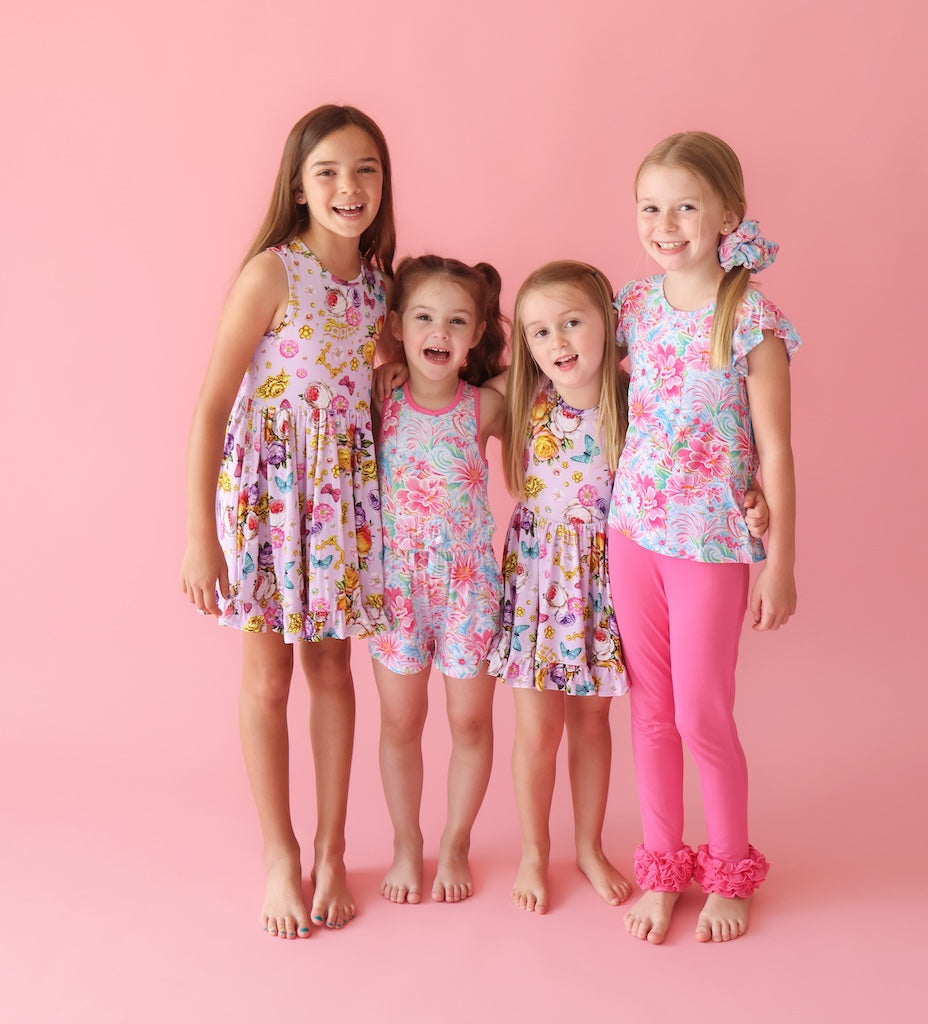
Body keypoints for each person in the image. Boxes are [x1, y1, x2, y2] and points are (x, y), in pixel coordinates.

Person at [180, 104, 397, 939]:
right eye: (329, 172)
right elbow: (208, 409)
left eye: (366, 170)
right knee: (269, 680)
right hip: (268, 501)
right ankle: (282, 852)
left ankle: (336, 850)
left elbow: (387, 377)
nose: (350, 187)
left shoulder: (379, 288)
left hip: (340, 505)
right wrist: (201, 533)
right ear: (299, 188)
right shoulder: (271, 273)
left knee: (334, 670)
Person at [608, 131, 801, 945]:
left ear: (727, 212)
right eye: (651, 206)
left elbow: (779, 445)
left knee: (702, 714)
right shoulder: (634, 306)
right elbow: (596, 393)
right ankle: (662, 863)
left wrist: (781, 557)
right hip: (633, 534)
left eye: (686, 205)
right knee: (650, 713)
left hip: (712, 545)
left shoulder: (750, 316)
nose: (666, 222)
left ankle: (728, 869)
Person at [486, 261, 633, 915]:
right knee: (535, 730)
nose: (558, 342)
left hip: (603, 582)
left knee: (594, 721)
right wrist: (400, 373)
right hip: (538, 582)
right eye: (540, 331)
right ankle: (533, 852)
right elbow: (444, 391)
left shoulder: (634, 402)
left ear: (607, 321)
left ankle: (589, 846)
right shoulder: (519, 399)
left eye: (571, 322)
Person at [369, 255, 506, 906]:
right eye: (424, 317)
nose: (440, 332)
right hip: (397, 589)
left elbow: (562, 396)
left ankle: (455, 840)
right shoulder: (379, 398)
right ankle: (406, 843)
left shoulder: (487, 405)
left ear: (477, 333)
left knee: (470, 722)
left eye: (457, 321)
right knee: (401, 723)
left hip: (469, 588)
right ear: (398, 325)